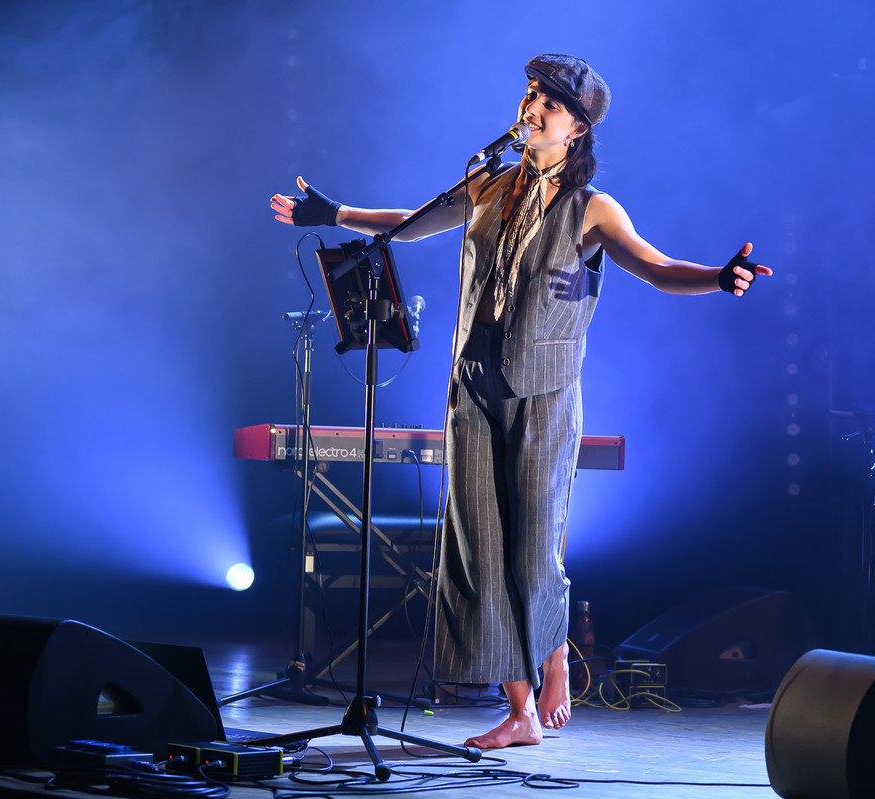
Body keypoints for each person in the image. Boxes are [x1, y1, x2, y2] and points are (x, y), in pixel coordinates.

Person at [270, 54, 771, 750]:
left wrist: (718, 276)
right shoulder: (489, 183)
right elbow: (412, 221)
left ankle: (556, 653)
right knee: (479, 547)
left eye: (549, 102)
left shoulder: (592, 207)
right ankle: (520, 710)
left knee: (533, 548)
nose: (532, 107)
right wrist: (335, 214)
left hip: (543, 391)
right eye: (531, 93)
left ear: (577, 128)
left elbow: (656, 267)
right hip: (472, 383)